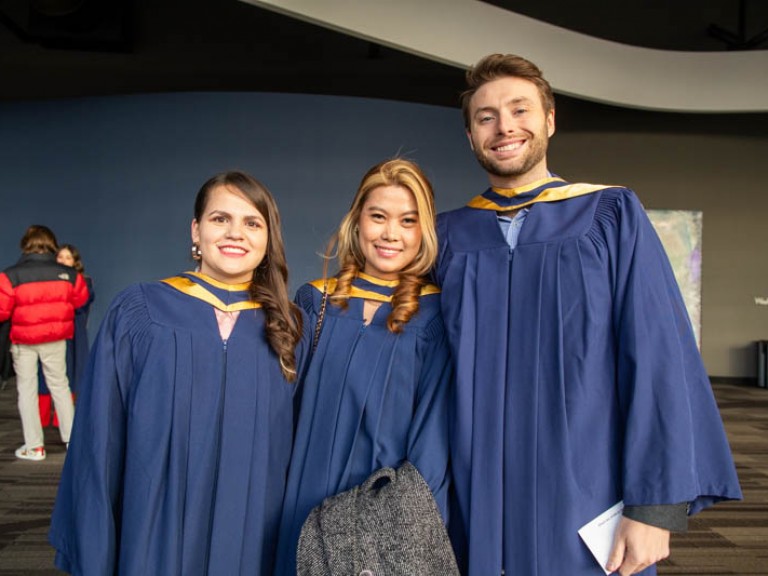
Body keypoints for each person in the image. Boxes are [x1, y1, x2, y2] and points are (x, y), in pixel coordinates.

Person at [435, 54, 742, 576]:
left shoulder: (609, 214)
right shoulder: (445, 236)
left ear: (549, 121)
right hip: (470, 498)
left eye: (520, 109)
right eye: (486, 116)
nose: (504, 126)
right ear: (470, 136)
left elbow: (657, 355)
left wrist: (654, 507)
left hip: (585, 493)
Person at [49, 171, 309, 575]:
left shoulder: (291, 327)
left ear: (268, 238)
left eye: (252, 222)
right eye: (220, 218)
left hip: (253, 533)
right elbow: (99, 439)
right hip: (153, 528)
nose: (235, 233)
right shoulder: (141, 312)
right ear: (196, 229)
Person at [273, 158, 453, 576]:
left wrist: (399, 533)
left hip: (377, 515)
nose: (391, 233)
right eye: (378, 217)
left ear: (422, 231)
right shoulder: (315, 302)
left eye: (408, 221)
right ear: (357, 222)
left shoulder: (434, 314)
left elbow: (432, 443)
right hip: (300, 501)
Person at [0, 225, 90, 461]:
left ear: (26, 244)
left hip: (24, 341)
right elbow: (81, 300)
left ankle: (35, 447)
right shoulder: (69, 275)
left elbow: (2, 310)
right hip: (55, 338)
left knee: (27, 390)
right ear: (52, 244)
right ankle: (73, 442)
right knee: (60, 386)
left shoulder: (10, 275)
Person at [38, 244, 95, 426]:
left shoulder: (83, 282)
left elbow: (81, 304)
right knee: (43, 374)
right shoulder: (45, 280)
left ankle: (61, 420)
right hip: (49, 331)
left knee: (69, 373)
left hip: (72, 334)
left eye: (67, 257)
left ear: (75, 262)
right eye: (60, 257)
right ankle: (42, 417)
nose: (63, 261)